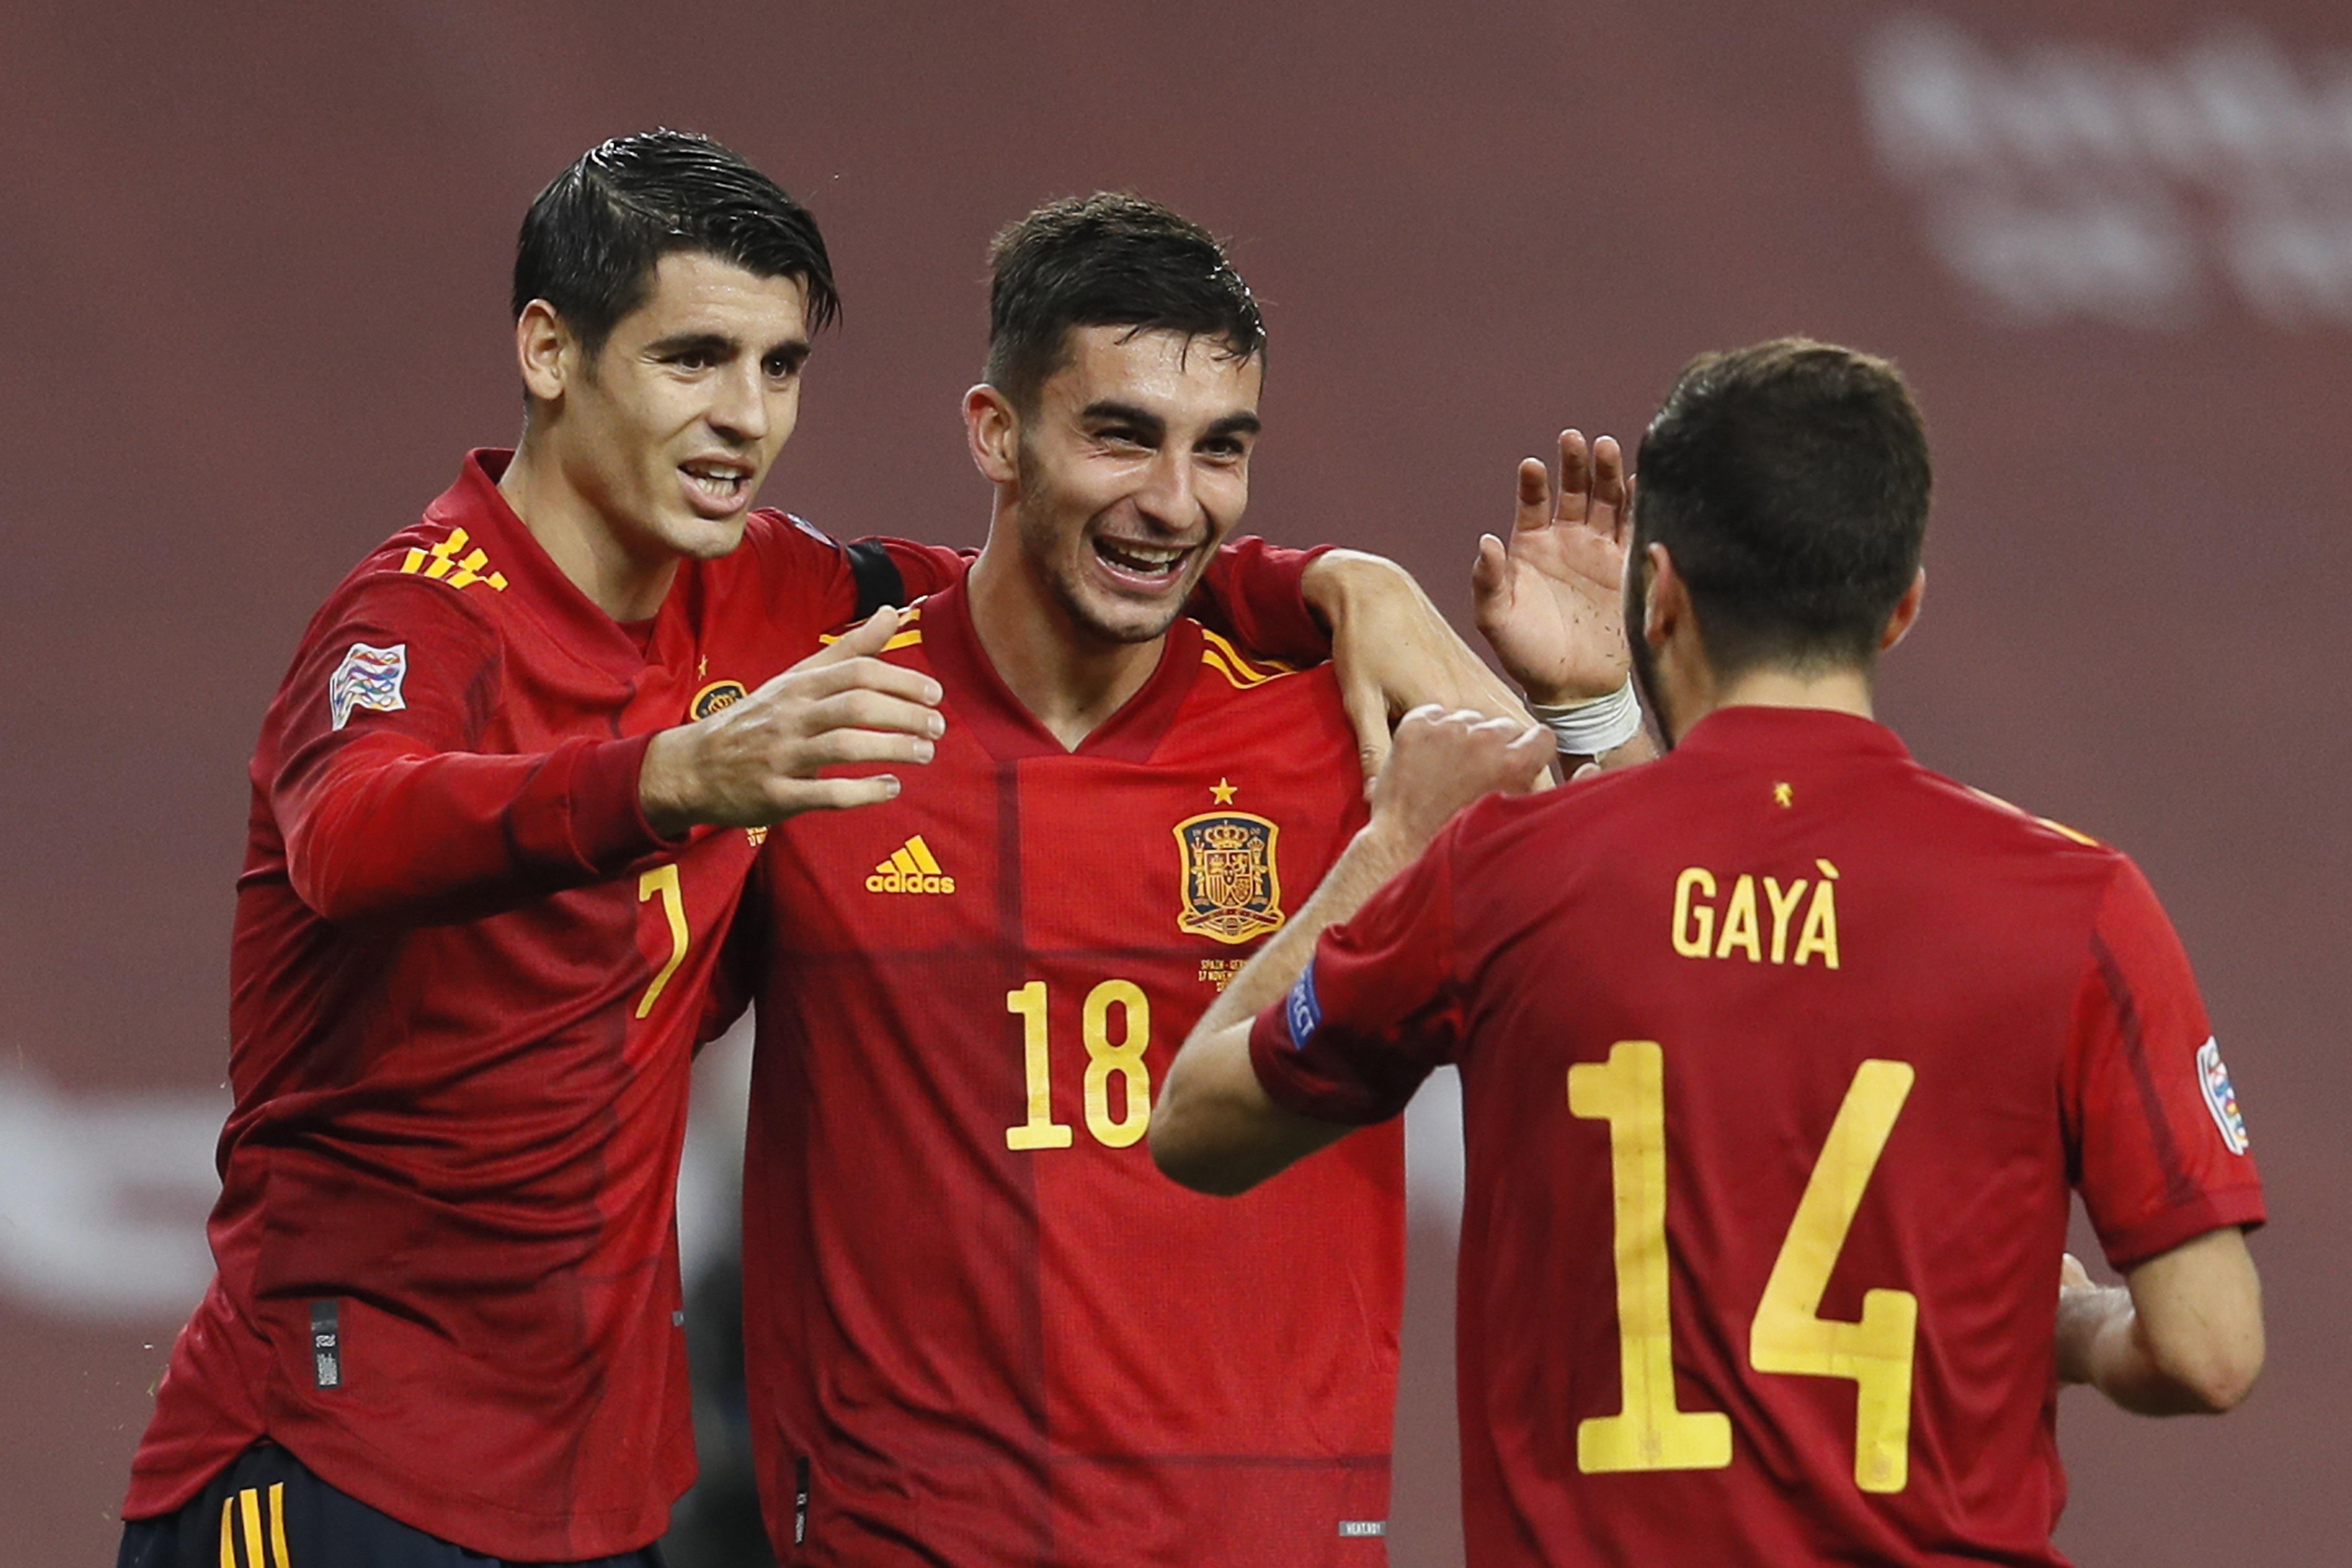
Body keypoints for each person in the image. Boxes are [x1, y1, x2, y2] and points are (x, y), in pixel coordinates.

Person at [116, 132, 1498, 1568]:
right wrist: (670, 775)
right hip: (341, 1448)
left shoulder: (774, 591)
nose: (744, 418)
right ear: (547, 350)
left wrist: (1338, 581)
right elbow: (350, 837)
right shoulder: (420, 616)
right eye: (694, 359)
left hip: (591, 1489)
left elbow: (1058, 571)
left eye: (779, 368)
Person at [1153, 338, 2267, 1567]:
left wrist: (1393, 840)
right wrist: (2071, 1333)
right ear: (1902, 605)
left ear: (1662, 592)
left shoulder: (1509, 876)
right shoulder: (2076, 901)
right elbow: (2208, 1353)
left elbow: (1199, 1124)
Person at [716, 193, 1592, 1567]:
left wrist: (1589, 717)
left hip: (1262, 1535)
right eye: (1120, 434)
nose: (1174, 502)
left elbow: (1648, 962)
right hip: (907, 1538)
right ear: (995, 434)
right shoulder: (818, 733)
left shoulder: (1341, 741)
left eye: (1219, 450)